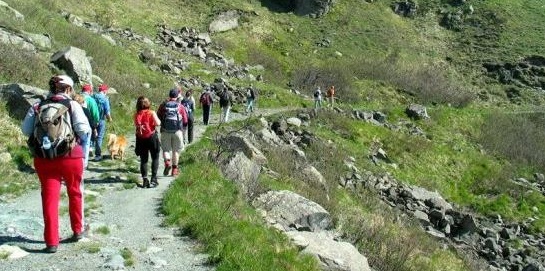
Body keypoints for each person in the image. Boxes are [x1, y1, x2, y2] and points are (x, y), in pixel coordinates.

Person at [21, 75, 91, 253]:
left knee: (49, 198)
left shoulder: (38, 106)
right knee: (75, 192)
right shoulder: (72, 104)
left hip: (44, 158)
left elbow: (26, 130)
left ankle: (51, 241)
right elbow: (83, 129)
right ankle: (78, 229)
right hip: (70, 157)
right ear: (68, 89)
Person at [157, 89, 188, 176]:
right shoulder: (180, 106)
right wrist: (183, 127)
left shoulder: (163, 105)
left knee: (166, 149)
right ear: (177, 96)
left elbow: (158, 115)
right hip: (177, 131)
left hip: (165, 131)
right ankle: (174, 170)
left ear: (169, 95)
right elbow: (185, 120)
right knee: (176, 151)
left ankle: (167, 162)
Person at [134, 96, 161, 188]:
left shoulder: (137, 114)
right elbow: (158, 123)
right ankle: (153, 179)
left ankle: (145, 179)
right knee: (155, 157)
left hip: (141, 138)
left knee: (144, 159)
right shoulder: (151, 112)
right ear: (147, 103)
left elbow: (137, 125)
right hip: (152, 136)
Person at [74, 94, 96, 168]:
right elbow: (90, 120)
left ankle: (75, 162)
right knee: (85, 146)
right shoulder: (85, 110)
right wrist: (94, 129)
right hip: (84, 131)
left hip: (73, 131)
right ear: (81, 102)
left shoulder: (70, 109)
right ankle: (83, 163)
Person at [92, 83, 112, 162]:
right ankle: (97, 155)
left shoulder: (93, 97)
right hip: (101, 119)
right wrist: (109, 118)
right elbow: (107, 111)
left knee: (92, 134)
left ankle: (90, 149)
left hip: (92, 119)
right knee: (99, 137)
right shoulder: (105, 99)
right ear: (105, 91)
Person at [80, 84, 100, 161]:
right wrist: (96, 121)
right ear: (89, 91)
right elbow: (95, 112)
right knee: (87, 141)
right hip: (88, 122)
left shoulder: (76, 98)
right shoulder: (91, 100)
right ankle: (86, 158)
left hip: (75, 123)